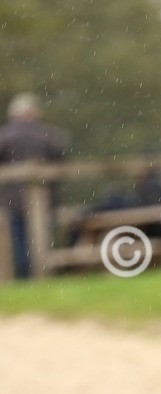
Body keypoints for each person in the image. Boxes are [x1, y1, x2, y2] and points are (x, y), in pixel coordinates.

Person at [0, 93, 69, 279]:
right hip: (46, 200)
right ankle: (44, 275)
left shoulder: (4, 136)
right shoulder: (48, 134)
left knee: (19, 243)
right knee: (42, 241)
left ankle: (25, 277)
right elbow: (61, 160)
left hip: (13, 201)